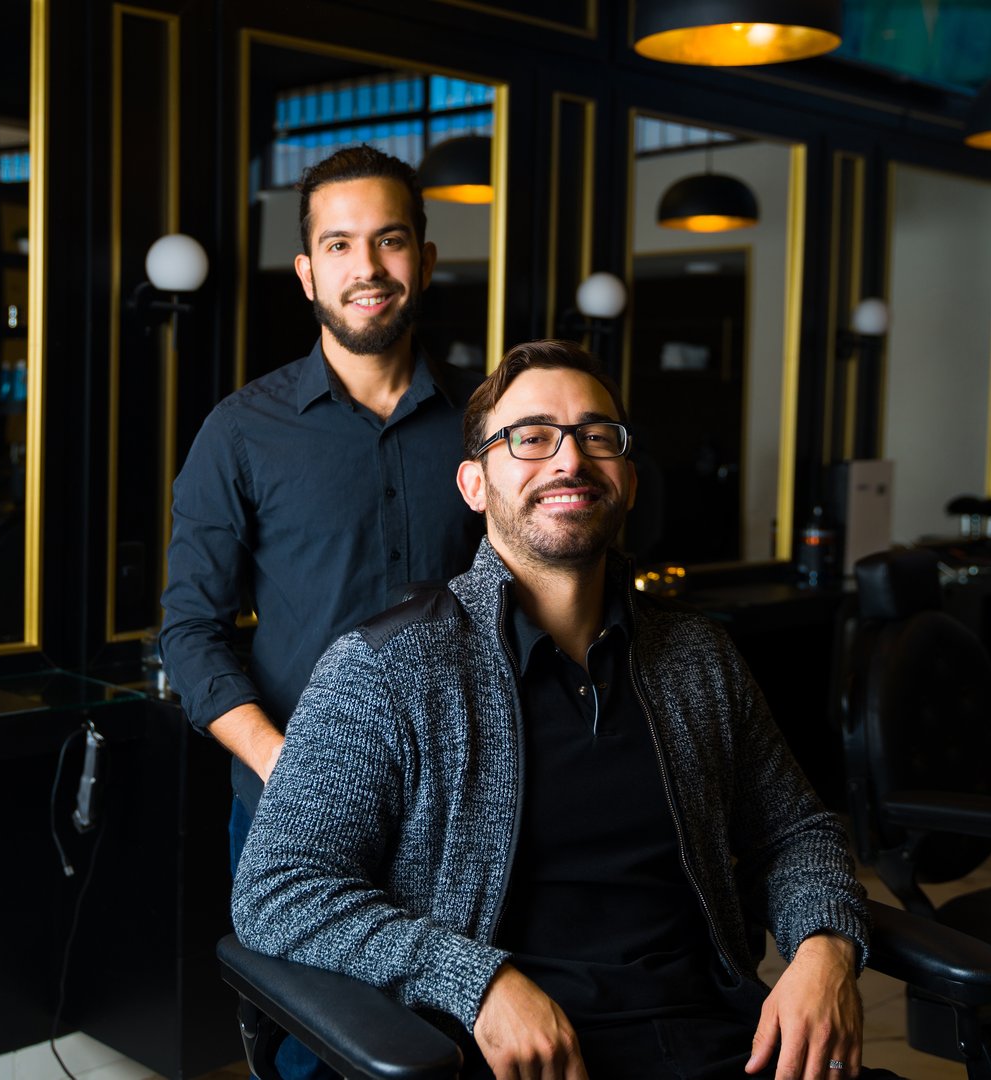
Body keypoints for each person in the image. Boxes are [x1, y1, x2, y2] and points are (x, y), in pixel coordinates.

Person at [233, 340, 901, 1080]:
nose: (569, 460)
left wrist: (826, 947)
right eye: (531, 436)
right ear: (474, 484)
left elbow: (795, 830)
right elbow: (279, 888)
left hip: (716, 1040)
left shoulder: (697, 657)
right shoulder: (387, 668)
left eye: (596, 436)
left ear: (631, 480)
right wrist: (476, 983)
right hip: (501, 1058)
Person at [160, 143, 483, 857]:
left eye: (389, 241)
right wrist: (287, 767)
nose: (366, 268)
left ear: (424, 262)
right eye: (338, 245)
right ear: (308, 275)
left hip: (467, 810)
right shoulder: (240, 431)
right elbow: (189, 632)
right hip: (298, 816)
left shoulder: (490, 422)